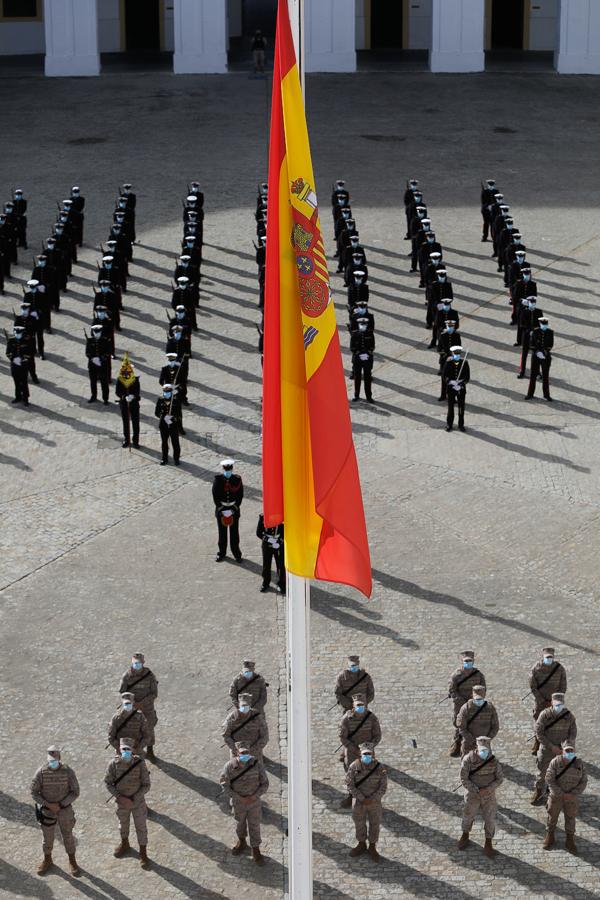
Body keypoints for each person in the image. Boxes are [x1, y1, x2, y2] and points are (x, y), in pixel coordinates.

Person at [30, 745, 80, 876]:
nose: (52, 763)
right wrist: (48, 804)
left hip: (64, 810)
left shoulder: (68, 772)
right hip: (47, 811)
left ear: (60, 758)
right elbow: (34, 792)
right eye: (50, 760)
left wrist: (61, 804)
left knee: (68, 835)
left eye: (55, 760)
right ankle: (48, 860)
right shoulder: (41, 772)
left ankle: (72, 860)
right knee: (47, 838)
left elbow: (75, 791)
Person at [105, 737, 151, 869]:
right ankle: (125, 843)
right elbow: (108, 783)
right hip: (122, 802)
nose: (125, 751)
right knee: (123, 825)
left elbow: (146, 785)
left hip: (137, 802)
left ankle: (143, 853)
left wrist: (135, 798)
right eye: (123, 749)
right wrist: (120, 797)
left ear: (132, 751)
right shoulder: (113, 764)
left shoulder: (140, 763)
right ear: (119, 750)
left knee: (141, 827)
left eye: (128, 749)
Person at [220, 741, 269, 865]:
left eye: (246, 752)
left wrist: (255, 796)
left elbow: (265, 783)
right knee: (239, 824)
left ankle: (256, 850)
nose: (245, 754)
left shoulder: (257, 765)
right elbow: (225, 785)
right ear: (237, 752)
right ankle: (242, 842)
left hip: (254, 803)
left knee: (255, 826)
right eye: (242, 752)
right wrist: (238, 798)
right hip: (239, 803)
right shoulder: (229, 766)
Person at [458, 736, 503, 858]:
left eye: (486, 750)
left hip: (488, 795)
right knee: (468, 815)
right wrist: (477, 790)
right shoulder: (468, 760)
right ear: (477, 748)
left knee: (490, 819)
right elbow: (464, 778)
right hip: (473, 795)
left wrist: (487, 789)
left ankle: (488, 842)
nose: (484, 752)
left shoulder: (493, 761)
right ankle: (465, 834)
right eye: (482, 749)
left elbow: (500, 779)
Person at [531, 692, 577, 804]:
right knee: (542, 772)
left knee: (561, 772)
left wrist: (566, 746)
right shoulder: (544, 715)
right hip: (547, 749)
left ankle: (558, 793)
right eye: (556, 704)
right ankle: (539, 790)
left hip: (562, 750)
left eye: (560, 704)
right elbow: (539, 733)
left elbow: (573, 732)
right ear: (551, 703)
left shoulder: (569, 716)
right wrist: (551, 747)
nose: (558, 707)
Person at [346, 741, 387, 862]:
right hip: (359, 802)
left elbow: (383, 787)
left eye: (369, 753)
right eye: (365, 754)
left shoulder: (380, 768)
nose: (367, 756)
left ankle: (372, 847)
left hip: (374, 803)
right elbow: (350, 785)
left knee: (375, 824)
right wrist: (362, 798)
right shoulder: (354, 767)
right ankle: (361, 844)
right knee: (359, 823)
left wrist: (372, 799)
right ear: (360, 753)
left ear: (373, 754)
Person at [544, 739, 587, 855]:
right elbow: (549, 779)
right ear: (562, 751)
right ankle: (550, 836)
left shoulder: (579, 764)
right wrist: (561, 794)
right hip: (556, 796)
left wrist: (573, 794)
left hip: (572, 797)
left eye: (571, 750)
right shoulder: (555, 762)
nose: (569, 752)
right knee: (552, 816)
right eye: (567, 750)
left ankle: (569, 840)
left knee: (571, 817)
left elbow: (584, 781)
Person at [339, 694, 381, 808]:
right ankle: (351, 796)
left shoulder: (372, 718)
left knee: (368, 774)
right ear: (353, 706)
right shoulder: (347, 719)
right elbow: (343, 737)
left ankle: (369, 797)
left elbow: (377, 736)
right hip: (352, 752)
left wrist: (368, 747)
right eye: (358, 705)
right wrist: (354, 749)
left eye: (362, 705)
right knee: (351, 774)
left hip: (367, 752)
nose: (360, 707)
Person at [119, 653, 158, 762]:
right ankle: (133, 753)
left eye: (139, 663)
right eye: (135, 663)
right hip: (132, 708)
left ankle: (150, 751)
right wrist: (132, 702)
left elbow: (154, 693)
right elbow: (122, 691)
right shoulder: (127, 676)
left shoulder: (150, 676)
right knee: (132, 730)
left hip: (147, 708)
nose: (136, 665)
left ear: (143, 663)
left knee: (149, 729)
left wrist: (143, 703)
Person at [528, 647, 567, 755]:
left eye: (550, 657)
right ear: (543, 657)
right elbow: (533, 686)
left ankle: (556, 744)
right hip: (540, 702)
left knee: (555, 723)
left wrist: (555, 701)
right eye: (547, 657)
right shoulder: (536, 668)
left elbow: (563, 686)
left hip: (556, 703)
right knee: (539, 723)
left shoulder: (560, 669)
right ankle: (537, 743)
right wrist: (542, 700)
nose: (549, 659)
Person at [448, 651, 486, 757]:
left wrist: (476, 700)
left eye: (470, 661)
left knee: (474, 725)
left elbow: (483, 689)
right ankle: (457, 744)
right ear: (462, 661)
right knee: (460, 724)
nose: (468, 662)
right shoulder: (456, 675)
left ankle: (474, 748)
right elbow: (452, 690)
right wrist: (460, 700)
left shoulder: (478, 675)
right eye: (466, 661)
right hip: (460, 704)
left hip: (474, 703)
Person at [222, 692, 269, 761]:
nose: (244, 708)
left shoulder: (257, 717)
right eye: (242, 706)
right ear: (239, 706)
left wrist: (254, 749)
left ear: (250, 706)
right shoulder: (232, 718)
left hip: (254, 753)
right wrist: (236, 749)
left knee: (256, 770)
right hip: (237, 754)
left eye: (246, 706)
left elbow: (265, 736)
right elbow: (226, 735)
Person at [213, 459, 244, 562]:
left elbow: (240, 496)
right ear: (223, 469)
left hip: (233, 509)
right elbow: (215, 496)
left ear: (232, 469)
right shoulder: (218, 480)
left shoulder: (237, 479)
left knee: (234, 533)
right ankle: (221, 553)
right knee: (222, 533)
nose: (228, 471)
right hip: (221, 509)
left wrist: (234, 509)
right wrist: (221, 509)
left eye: (229, 469)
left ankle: (237, 554)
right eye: (226, 469)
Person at [456, 685, 499, 756]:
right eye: (476, 699)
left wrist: (487, 739)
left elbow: (495, 726)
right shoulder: (466, 708)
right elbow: (462, 728)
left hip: (484, 743)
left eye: (480, 699)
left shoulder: (490, 708)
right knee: (467, 762)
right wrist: (472, 740)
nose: (478, 701)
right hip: (469, 742)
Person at [442, 345, 470, 433]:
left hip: (460, 388)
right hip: (451, 388)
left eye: (458, 353)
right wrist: (451, 381)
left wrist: (461, 384)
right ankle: (449, 424)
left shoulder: (464, 363)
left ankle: (461, 425)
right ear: (452, 353)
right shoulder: (449, 362)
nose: (457, 355)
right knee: (451, 408)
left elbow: (467, 377)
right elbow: (444, 375)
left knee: (461, 407)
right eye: (455, 353)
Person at [115, 353, 140, 449]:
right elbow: (118, 392)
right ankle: (127, 439)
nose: (127, 372)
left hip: (134, 404)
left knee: (135, 423)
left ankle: (136, 441)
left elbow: (137, 392)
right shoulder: (120, 379)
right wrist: (124, 396)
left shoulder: (135, 380)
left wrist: (133, 396)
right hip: (124, 404)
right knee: (126, 423)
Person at [526, 317, 554, 401]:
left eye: (546, 324)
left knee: (545, 377)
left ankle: (546, 395)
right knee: (533, 376)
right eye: (543, 324)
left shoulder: (550, 332)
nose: (544, 326)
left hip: (545, 357)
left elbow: (550, 345)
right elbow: (531, 344)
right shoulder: (535, 332)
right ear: (540, 324)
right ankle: (530, 394)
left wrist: (544, 352)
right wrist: (537, 352)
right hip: (536, 356)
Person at [256, 514, 285, 594]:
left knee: (280, 565)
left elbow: (285, 530)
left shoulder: (281, 516)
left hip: (278, 544)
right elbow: (258, 533)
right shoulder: (263, 517)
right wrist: (269, 540)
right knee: (266, 565)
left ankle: (282, 584)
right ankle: (266, 582)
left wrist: (280, 541)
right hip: (267, 544)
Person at [155, 383, 181, 466]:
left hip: (173, 425)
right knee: (164, 443)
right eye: (165, 391)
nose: (166, 393)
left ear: (171, 391)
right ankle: (164, 458)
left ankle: (176, 459)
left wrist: (173, 418)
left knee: (175, 443)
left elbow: (179, 414)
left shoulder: (175, 400)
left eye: (168, 391)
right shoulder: (160, 399)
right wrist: (163, 417)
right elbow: (156, 412)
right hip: (163, 425)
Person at [6, 324, 33, 405]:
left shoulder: (26, 341)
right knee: (16, 382)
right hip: (14, 365)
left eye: (19, 333)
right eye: (16, 333)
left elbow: (30, 353)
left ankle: (25, 398)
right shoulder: (11, 341)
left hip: (23, 365)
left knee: (24, 382)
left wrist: (22, 359)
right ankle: (18, 397)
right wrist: (13, 359)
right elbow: (8, 353)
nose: (18, 335)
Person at [85, 323, 111, 404]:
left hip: (102, 365)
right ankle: (94, 396)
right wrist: (93, 359)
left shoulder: (105, 341)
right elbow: (87, 352)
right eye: (95, 332)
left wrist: (100, 359)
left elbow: (108, 352)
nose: (97, 334)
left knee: (104, 382)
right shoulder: (89, 341)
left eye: (98, 332)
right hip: (92, 365)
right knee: (93, 381)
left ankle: (105, 398)